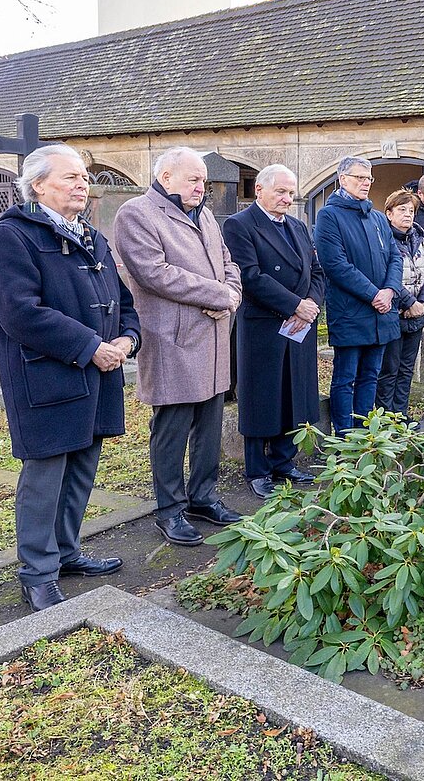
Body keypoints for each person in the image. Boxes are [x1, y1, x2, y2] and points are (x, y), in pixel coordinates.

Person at [0, 144, 140, 611]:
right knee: (45, 473)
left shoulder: (91, 236)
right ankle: (37, 571)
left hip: (99, 372)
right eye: (71, 176)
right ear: (38, 185)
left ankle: (66, 552)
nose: (82, 184)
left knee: (81, 468)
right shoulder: (14, 236)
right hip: (46, 376)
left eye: (84, 177)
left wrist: (128, 338)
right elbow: (19, 312)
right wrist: (91, 346)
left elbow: (123, 301)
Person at [114, 146, 244, 547]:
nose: (201, 187)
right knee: (171, 427)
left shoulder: (204, 214)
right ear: (166, 177)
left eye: (203, 180)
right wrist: (219, 294)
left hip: (214, 335)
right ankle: (169, 509)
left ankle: (203, 496)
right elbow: (156, 274)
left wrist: (232, 294)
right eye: (193, 179)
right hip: (174, 338)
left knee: (209, 423)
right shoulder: (136, 214)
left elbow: (227, 261)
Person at [222, 165, 325, 499]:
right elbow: (250, 276)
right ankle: (257, 469)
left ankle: (284, 461)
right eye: (280, 191)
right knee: (262, 396)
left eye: (291, 192)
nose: (287, 198)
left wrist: (310, 303)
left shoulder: (298, 225)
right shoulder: (240, 225)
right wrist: (295, 304)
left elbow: (317, 270)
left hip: (299, 324)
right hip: (264, 324)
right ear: (260, 191)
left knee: (293, 392)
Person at [314, 156, 402, 435]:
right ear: (343, 179)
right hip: (351, 310)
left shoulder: (377, 217)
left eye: (369, 178)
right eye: (359, 177)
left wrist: (389, 290)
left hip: (381, 311)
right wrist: (374, 293)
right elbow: (335, 264)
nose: (366, 183)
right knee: (346, 377)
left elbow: (395, 257)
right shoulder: (329, 216)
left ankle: (365, 434)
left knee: (371, 376)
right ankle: (344, 435)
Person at [376, 189, 424, 415]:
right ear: (389, 214)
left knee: (406, 369)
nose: (407, 215)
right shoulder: (383, 240)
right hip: (394, 313)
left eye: (411, 210)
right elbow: (385, 275)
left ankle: (401, 415)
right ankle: (385, 418)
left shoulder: (419, 239)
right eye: (402, 210)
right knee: (389, 369)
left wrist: (422, 302)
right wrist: (409, 301)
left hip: (417, 314)